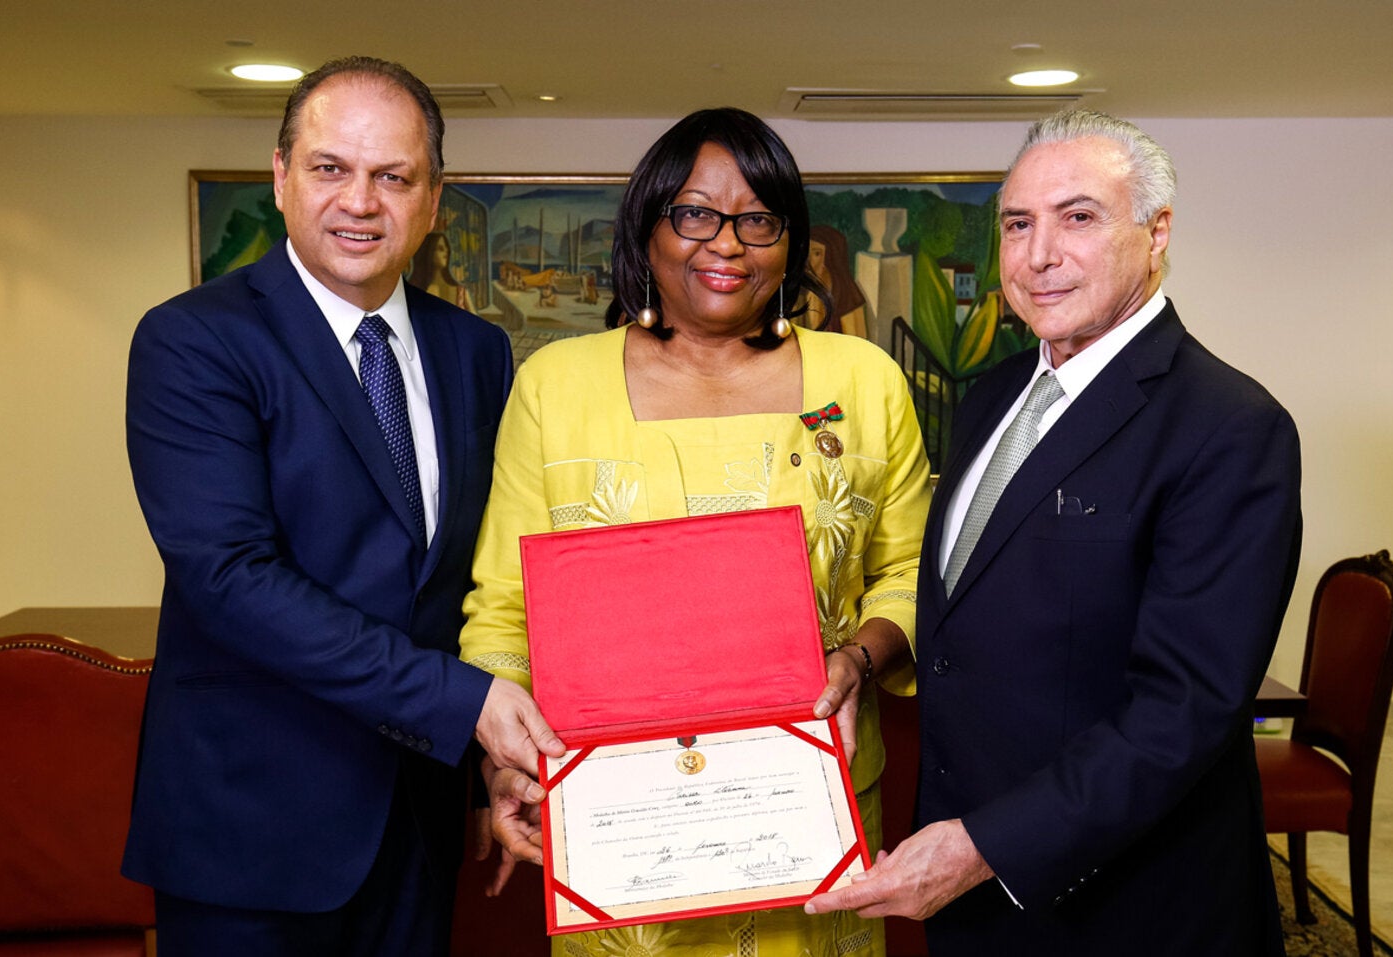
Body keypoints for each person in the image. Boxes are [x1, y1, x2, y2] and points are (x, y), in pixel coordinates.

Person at [805, 110, 1303, 955]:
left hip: (1127, 906)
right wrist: (864, 660)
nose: (1039, 255)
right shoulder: (993, 394)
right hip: (970, 894)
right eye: (1017, 224)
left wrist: (986, 846)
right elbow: (968, 617)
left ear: (1157, 233)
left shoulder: (1229, 426)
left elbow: (1181, 712)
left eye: (1078, 217)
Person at [460, 107, 932, 957]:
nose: (727, 242)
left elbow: (909, 575)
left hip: (808, 819)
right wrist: (503, 761)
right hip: (619, 827)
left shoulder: (864, 380)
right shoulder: (554, 385)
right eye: (694, 214)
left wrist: (859, 657)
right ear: (647, 230)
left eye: (758, 219)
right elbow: (503, 609)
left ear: (790, 243)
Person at [122, 56, 563, 956]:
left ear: (432, 199)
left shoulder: (476, 351)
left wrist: (485, 768)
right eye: (330, 168)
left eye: (392, 176)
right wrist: (463, 701)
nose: (359, 201)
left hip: (419, 821)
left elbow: (467, 579)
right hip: (249, 832)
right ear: (281, 176)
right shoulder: (193, 340)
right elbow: (232, 578)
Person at [803, 223, 869, 337]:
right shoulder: (802, 289)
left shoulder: (848, 296)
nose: (810, 260)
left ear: (831, 257)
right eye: (807, 253)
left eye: (817, 253)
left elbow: (856, 340)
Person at [409, 231, 472, 310]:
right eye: (440, 248)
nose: (446, 251)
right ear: (428, 252)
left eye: (446, 248)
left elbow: (476, 321)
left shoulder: (460, 292)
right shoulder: (412, 294)